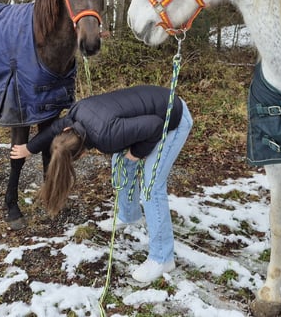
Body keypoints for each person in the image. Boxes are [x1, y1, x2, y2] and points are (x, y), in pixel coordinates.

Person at [11, 84, 193, 284]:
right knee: (119, 162)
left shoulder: (106, 137)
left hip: (173, 118)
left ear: (81, 153)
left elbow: (156, 126)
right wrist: (29, 148)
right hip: (156, 104)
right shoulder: (76, 114)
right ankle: (129, 215)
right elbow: (54, 129)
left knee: (151, 186)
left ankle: (162, 258)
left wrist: (136, 153)